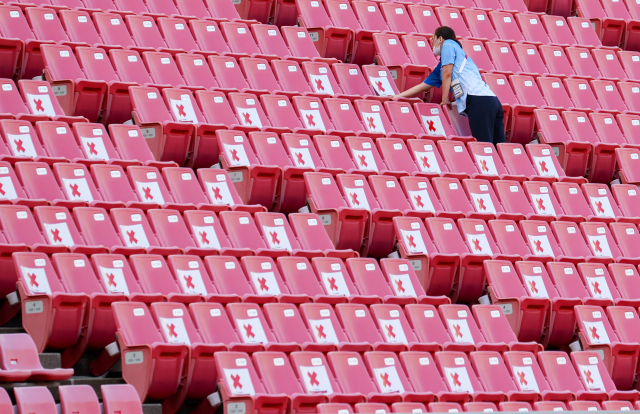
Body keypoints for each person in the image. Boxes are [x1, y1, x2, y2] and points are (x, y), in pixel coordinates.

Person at [396, 26, 506, 145]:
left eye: (433, 39)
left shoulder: (448, 44)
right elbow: (423, 86)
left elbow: (448, 73)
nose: (431, 42)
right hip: (492, 101)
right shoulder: (442, 66)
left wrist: (445, 100)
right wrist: (397, 96)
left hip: (479, 101)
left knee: (484, 147)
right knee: (497, 148)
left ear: (440, 39)